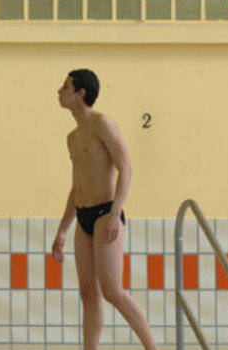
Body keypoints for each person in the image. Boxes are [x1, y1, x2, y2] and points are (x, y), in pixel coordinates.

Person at [51, 69, 158, 350]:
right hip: (83, 215)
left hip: (105, 214)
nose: (58, 91)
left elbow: (126, 168)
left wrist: (115, 213)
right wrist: (63, 230)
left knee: (112, 290)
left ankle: (152, 347)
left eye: (65, 86)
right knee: (89, 292)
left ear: (80, 93)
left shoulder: (103, 124)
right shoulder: (72, 137)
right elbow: (76, 187)